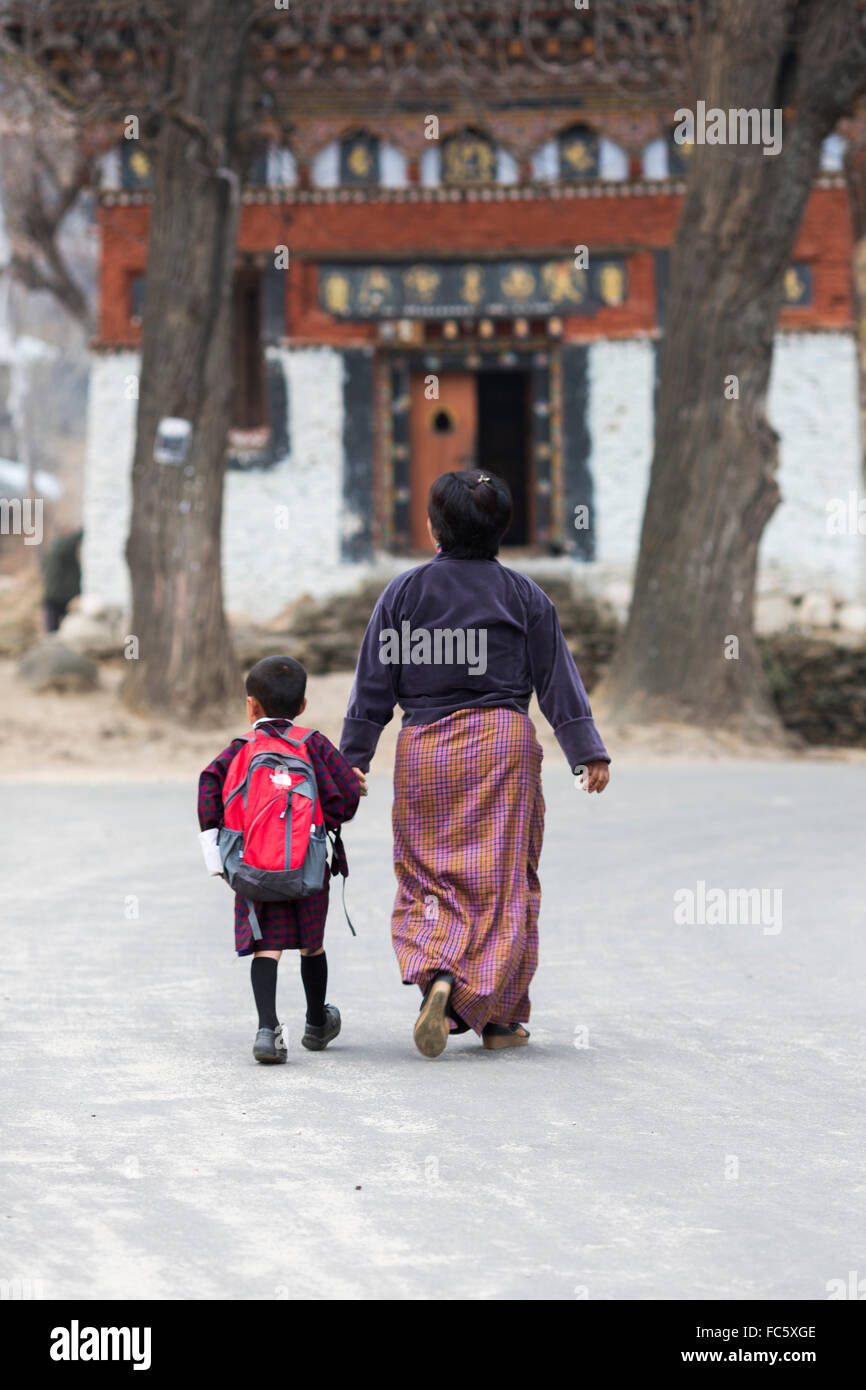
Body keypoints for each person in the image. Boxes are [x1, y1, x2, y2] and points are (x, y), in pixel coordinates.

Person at [340, 469, 610, 1059]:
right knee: (504, 876)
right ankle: (501, 1018)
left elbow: (372, 687)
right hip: (502, 744)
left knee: (428, 873)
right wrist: (585, 749)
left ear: (434, 526)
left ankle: (438, 974)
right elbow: (556, 677)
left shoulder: (403, 594)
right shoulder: (523, 596)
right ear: (503, 531)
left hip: (427, 748)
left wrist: (350, 762)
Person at [198, 656, 361, 1064]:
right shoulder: (314, 744)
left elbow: (208, 789)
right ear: (303, 705)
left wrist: (216, 859)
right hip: (307, 867)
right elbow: (345, 799)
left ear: (251, 705)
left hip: (254, 867)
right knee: (312, 946)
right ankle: (316, 1022)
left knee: (266, 947)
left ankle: (267, 1029)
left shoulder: (239, 750)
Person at [42, 526, 82, 631]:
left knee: (57, 629)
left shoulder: (53, 546)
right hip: (59, 596)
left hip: (56, 594)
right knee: (55, 630)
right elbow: (71, 541)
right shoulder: (60, 545)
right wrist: (84, 530)